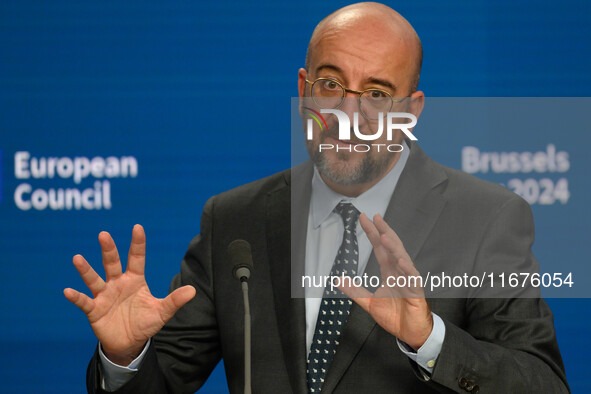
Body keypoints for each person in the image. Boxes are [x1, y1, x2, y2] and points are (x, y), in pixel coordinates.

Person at [64, 3, 569, 393]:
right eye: (330, 84)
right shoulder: (235, 220)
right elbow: (163, 382)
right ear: (304, 89)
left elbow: (542, 383)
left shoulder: (484, 218)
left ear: (411, 111)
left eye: (376, 93)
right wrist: (125, 357)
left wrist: (430, 339)